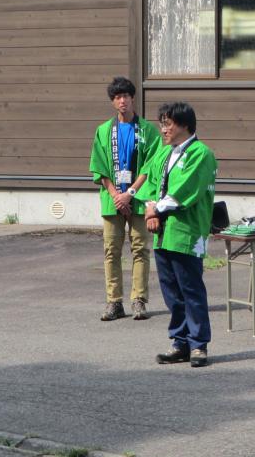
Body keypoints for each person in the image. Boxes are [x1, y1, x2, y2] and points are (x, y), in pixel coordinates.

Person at [138, 102, 217, 368]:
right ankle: (180, 342)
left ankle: (198, 345)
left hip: (187, 232)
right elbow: (149, 183)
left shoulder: (201, 154)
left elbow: (185, 191)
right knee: (171, 291)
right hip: (163, 233)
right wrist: (150, 207)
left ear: (184, 124)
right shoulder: (164, 153)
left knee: (191, 289)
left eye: (167, 124)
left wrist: (154, 210)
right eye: (162, 123)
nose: (163, 129)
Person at [89, 77, 161, 322]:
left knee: (141, 249)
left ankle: (139, 300)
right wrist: (116, 196)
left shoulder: (148, 130)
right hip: (112, 201)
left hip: (139, 199)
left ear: (133, 98)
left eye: (126, 96)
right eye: (117, 97)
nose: (122, 101)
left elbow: (151, 167)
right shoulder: (103, 131)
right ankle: (114, 301)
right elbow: (99, 168)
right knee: (112, 251)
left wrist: (129, 194)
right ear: (113, 102)